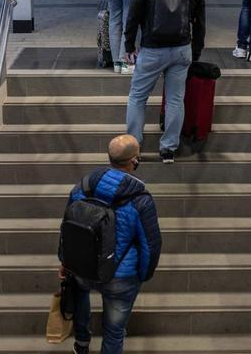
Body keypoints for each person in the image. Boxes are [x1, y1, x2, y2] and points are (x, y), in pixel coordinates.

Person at [61, 134, 162, 354]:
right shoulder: (140, 199)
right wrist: (142, 275)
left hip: (82, 267)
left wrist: (65, 262)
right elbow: (150, 245)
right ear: (134, 160)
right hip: (121, 276)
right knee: (114, 332)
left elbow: (67, 225)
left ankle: (82, 344)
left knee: (80, 299)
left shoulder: (83, 186)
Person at [124, 0, 206, 163]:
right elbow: (200, 25)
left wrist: (129, 45)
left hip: (152, 49)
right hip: (181, 50)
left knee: (138, 96)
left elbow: (133, 16)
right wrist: (195, 53)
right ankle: (168, 149)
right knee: (175, 99)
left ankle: (132, 148)